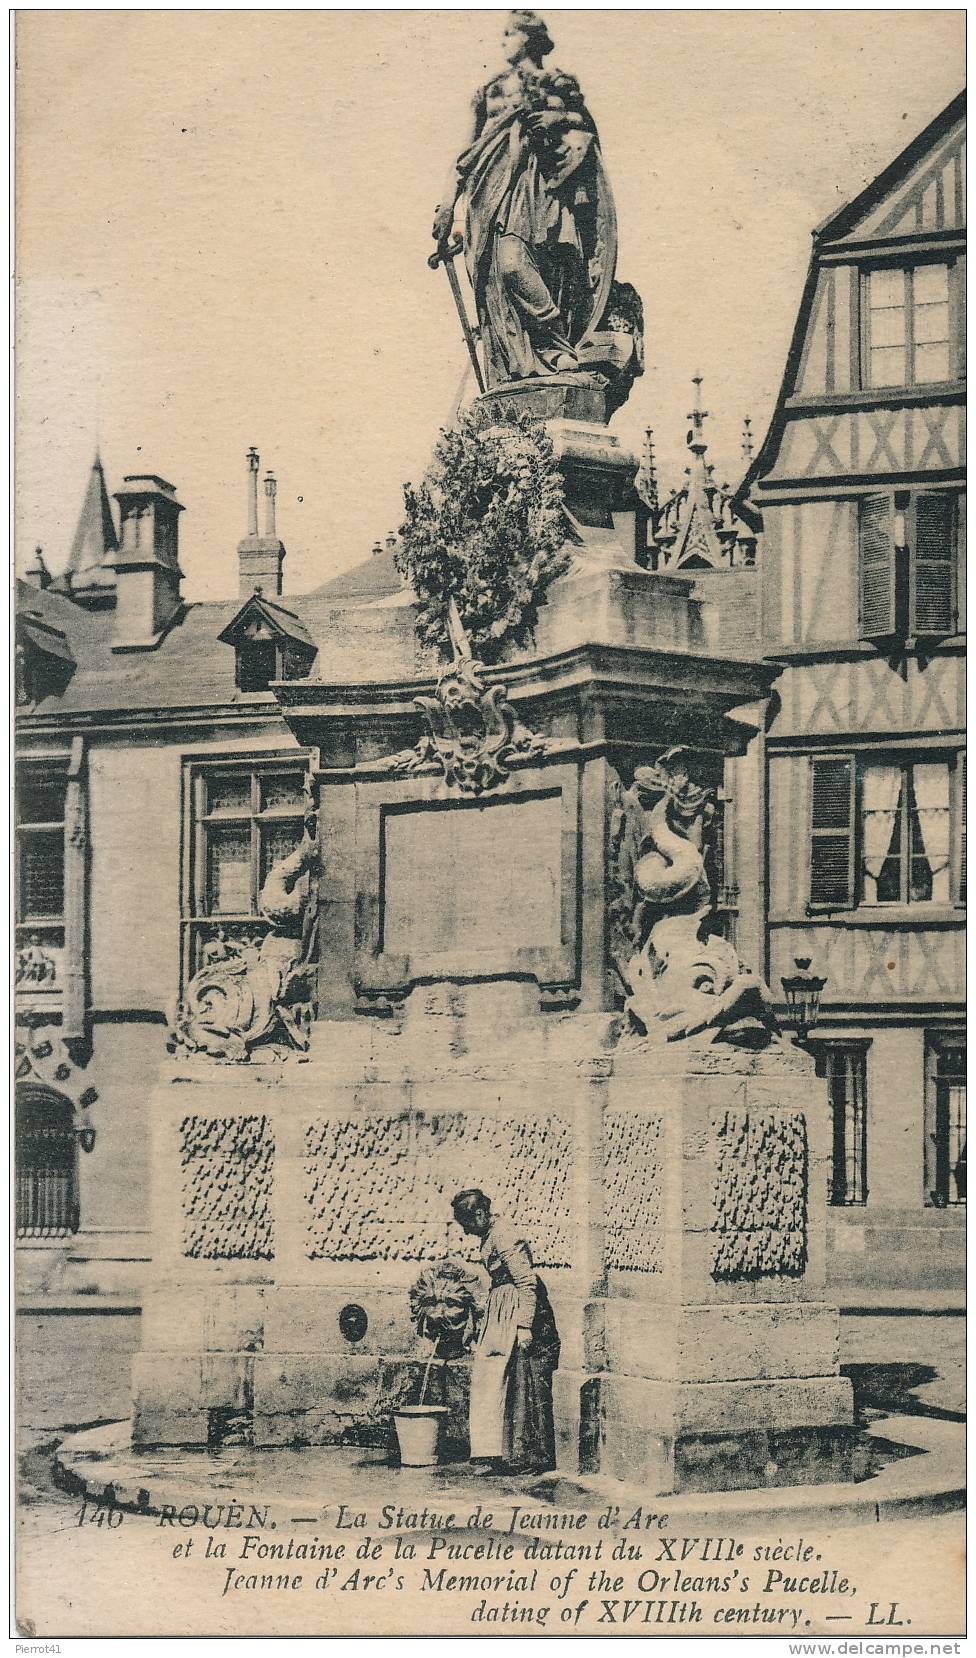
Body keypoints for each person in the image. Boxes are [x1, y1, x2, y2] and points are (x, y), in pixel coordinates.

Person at [431, 11, 616, 386]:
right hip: (488, 193)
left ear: (530, 39)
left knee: (519, 264)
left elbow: (587, 128)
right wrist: (449, 205)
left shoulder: (558, 82)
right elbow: (467, 154)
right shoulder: (491, 91)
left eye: (509, 34)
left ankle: (556, 344)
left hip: (538, 187)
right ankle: (523, 363)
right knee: (499, 275)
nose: (502, 41)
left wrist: (555, 118)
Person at [451, 1187, 560, 1473]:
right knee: (489, 1377)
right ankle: (489, 1453)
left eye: (467, 1225)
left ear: (479, 1213)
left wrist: (524, 1325)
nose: (466, 1232)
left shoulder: (504, 1234)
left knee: (502, 1377)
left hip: (514, 1309)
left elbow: (526, 1281)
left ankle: (508, 1456)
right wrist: (478, 1322)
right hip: (501, 1308)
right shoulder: (491, 1234)